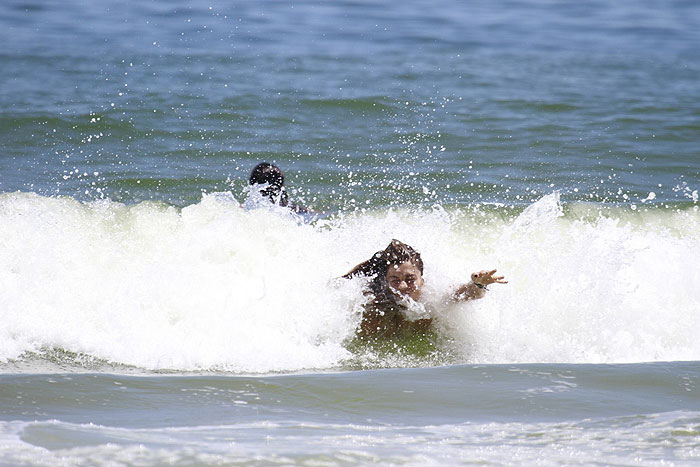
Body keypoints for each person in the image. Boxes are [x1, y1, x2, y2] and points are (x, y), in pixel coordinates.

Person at [342, 239, 506, 339]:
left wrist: (478, 284)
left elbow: (467, 294)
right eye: (395, 280)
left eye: (410, 279)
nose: (403, 286)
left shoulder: (432, 294)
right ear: (385, 281)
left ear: (422, 280)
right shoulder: (371, 299)